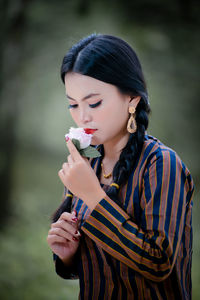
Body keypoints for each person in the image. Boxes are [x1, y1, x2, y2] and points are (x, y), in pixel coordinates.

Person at [47, 34, 194, 300]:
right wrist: (68, 256)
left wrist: (94, 197)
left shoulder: (162, 164)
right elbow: (98, 266)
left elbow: (159, 263)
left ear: (132, 99)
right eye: (73, 104)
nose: (83, 116)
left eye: (94, 103)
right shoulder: (87, 160)